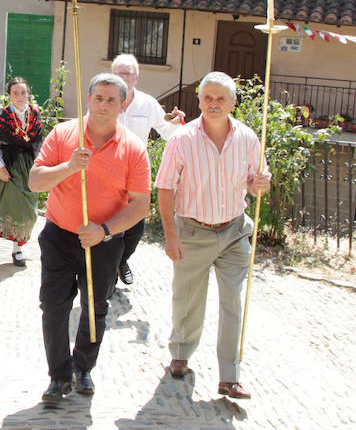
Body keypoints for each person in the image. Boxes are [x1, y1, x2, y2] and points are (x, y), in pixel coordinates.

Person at [28, 73, 150, 403]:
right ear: (89, 99)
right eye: (99, 98)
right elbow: (35, 181)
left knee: (95, 307)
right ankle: (58, 375)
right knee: (53, 306)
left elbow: (141, 204)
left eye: (112, 100)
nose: (104, 105)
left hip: (104, 241)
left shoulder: (134, 149)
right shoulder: (64, 134)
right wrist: (69, 166)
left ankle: (83, 367)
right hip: (60, 235)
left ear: (123, 105)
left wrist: (105, 231)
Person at [155, 71, 270, 400]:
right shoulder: (182, 139)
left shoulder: (248, 138)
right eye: (208, 98)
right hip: (192, 230)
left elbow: (256, 180)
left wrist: (260, 184)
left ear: (233, 103)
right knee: (189, 297)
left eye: (221, 98)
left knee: (233, 301)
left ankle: (229, 377)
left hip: (235, 231)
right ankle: (180, 354)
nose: (214, 104)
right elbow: (164, 188)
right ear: (200, 101)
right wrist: (171, 236)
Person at [111, 53, 184, 287]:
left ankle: (122, 260)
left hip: (136, 173)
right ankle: (109, 273)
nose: (124, 77)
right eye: (119, 73)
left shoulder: (147, 103)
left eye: (128, 73)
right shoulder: (105, 100)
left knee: (136, 227)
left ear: (136, 77)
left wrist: (178, 124)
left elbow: (169, 132)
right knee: (111, 225)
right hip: (108, 171)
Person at [0, 78, 43, 267]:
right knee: (6, 205)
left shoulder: (35, 114)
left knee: (28, 209)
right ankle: (0, 240)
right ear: (9, 95)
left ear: (28, 94)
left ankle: (17, 247)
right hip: (8, 166)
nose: (20, 96)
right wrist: (1, 168)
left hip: (27, 166)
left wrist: (39, 165)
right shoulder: (3, 115)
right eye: (16, 93)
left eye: (23, 92)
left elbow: (37, 144)